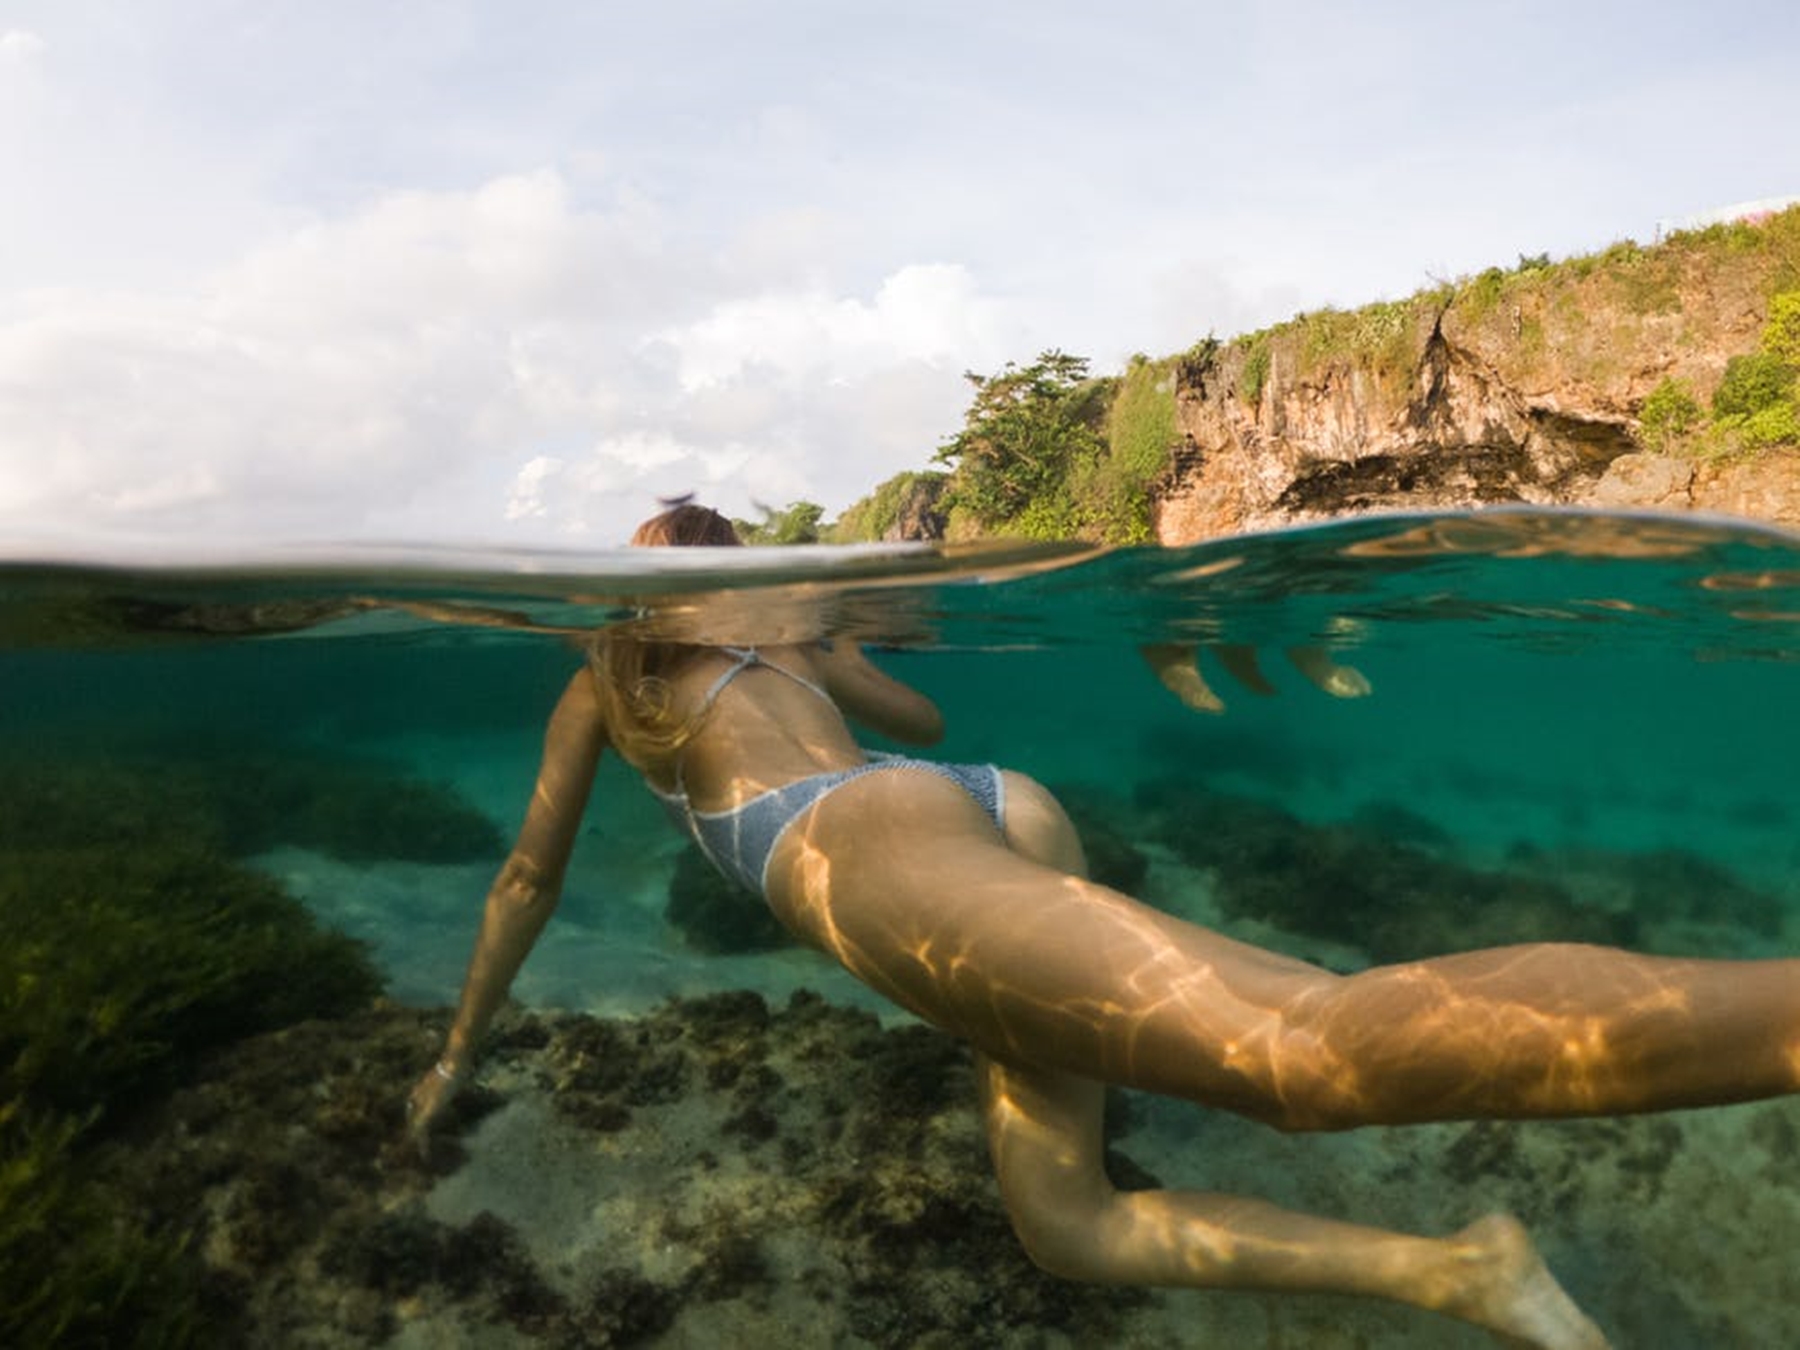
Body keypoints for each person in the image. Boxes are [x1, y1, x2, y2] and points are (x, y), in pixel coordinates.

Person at [407, 502, 1799, 1350]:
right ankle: (1463, 1269)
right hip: (987, 803)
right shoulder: (787, 619)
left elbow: (526, 881)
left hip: (857, 848)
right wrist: (829, 644)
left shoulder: (611, 677)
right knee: (1065, 1222)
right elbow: (922, 728)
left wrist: (459, 1048)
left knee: (1302, 1055)